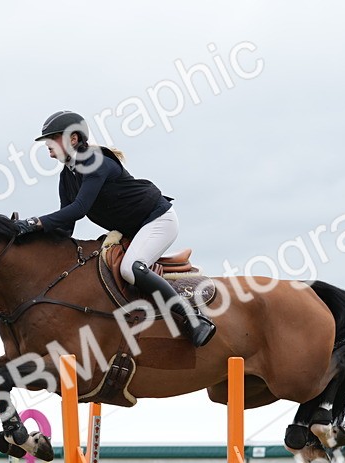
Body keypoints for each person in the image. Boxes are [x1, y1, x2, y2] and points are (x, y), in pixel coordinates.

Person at [14, 110, 215, 347]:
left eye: (53, 137)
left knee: (131, 269)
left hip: (158, 219)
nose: (47, 144)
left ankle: (194, 320)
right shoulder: (67, 177)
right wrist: (31, 239)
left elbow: (79, 209)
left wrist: (34, 222)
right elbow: (65, 228)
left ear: (73, 139)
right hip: (133, 229)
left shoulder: (94, 161)